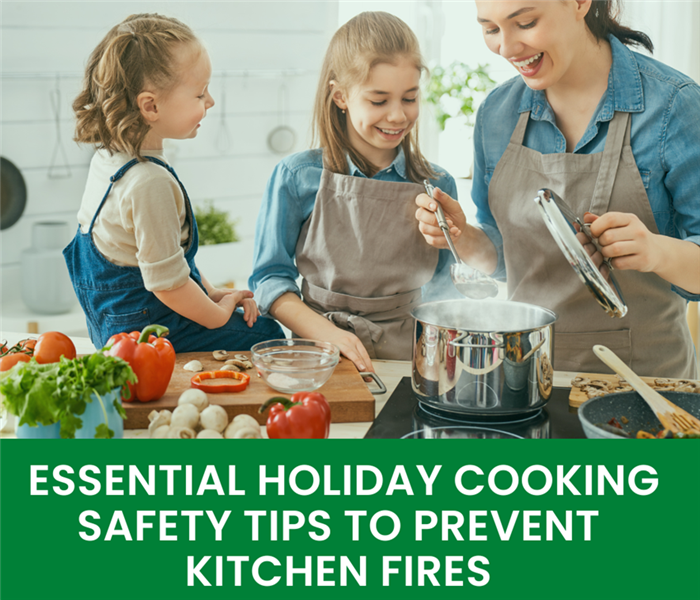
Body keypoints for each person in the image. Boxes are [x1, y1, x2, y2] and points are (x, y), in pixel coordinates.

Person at [415, 0, 699, 378]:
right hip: (523, 378)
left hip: (641, 385)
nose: (507, 48)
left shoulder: (673, 106)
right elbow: (503, 255)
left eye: (526, 23)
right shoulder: (496, 114)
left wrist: (656, 251)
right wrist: (462, 237)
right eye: (491, 29)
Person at [249, 11, 459, 372]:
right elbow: (269, 280)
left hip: (413, 355)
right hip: (318, 352)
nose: (397, 116)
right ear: (341, 96)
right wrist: (327, 333)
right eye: (379, 101)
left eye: (409, 98)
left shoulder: (437, 184)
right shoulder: (296, 176)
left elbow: (447, 287)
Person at [64, 13, 284, 351]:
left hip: (111, 328)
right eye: (199, 94)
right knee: (268, 335)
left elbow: (165, 258)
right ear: (150, 106)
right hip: (150, 335)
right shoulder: (148, 182)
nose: (210, 102)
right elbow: (166, 285)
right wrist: (217, 313)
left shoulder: (107, 159)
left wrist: (210, 293)